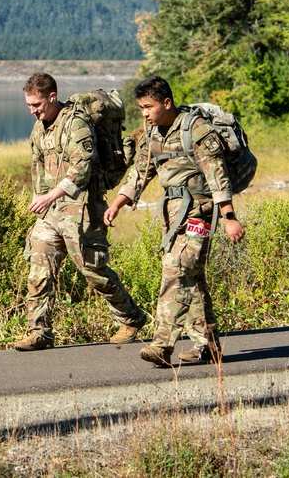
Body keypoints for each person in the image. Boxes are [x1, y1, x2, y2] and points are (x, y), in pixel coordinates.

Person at [104, 76, 245, 366]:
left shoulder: (196, 130)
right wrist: (118, 203)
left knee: (177, 268)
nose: (144, 112)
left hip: (201, 211)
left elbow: (216, 175)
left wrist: (229, 217)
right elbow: (140, 171)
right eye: (141, 107)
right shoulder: (152, 132)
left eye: (149, 106)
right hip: (171, 212)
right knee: (192, 277)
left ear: (166, 103)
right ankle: (209, 346)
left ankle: (161, 344)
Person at [13, 73, 147, 351]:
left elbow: (82, 168)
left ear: (52, 97)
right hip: (50, 212)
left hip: (82, 207)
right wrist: (40, 200)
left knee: (93, 271)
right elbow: (37, 168)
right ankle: (39, 332)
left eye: (37, 104)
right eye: (28, 105)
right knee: (39, 270)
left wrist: (51, 195)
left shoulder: (75, 124)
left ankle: (131, 317)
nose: (32, 110)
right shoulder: (39, 129)